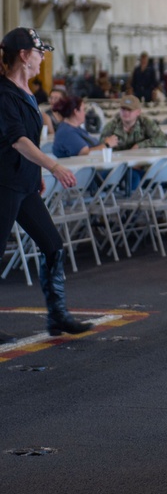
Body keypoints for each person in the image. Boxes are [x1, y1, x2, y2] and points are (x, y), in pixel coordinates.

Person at [0, 28, 92, 336]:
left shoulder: (27, 93)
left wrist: (37, 173)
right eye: (40, 53)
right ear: (25, 56)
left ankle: (57, 315)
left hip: (24, 184)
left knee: (53, 245)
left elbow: (31, 139)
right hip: (4, 184)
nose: (43, 59)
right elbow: (18, 140)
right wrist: (52, 166)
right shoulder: (3, 93)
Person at [51, 95, 119, 158]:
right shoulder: (67, 132)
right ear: (76, 112)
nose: (85, 113)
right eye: (83, 109)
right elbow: (85, 153)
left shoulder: (74, 128)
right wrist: (106, 145)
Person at [99, 95, 167, 149]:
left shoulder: (145, 122)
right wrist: (106, 143)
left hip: (140, 162)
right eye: (123, 109)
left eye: (129, 110)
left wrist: (139, 146)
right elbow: (100, 145)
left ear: (138, 112)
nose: (125, 112)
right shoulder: (112, 125)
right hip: (118, 163)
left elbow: (162, 139)